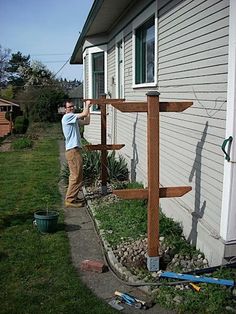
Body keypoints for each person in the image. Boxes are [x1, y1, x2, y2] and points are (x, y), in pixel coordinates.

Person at [61, 99, 91, 208]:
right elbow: (84, 114)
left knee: (78, 175)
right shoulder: (67, 117)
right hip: (72, 151)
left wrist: (89, 109)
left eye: (72, 106)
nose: (72, 108)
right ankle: (69, 200)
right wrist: (87, 105)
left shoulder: (72, 119)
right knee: (75, 176)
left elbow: (86, 121)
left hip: (75, 150)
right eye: (69, 107)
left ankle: (73, 197)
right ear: (65, 109)